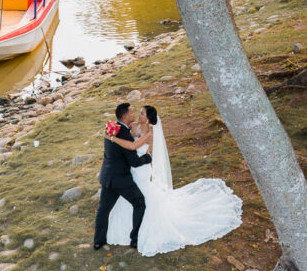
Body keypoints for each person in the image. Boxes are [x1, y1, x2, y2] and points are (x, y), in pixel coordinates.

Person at [105, 105, 242, 256]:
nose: (138, 115)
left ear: (149, 118)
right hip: (132, 168)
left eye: (142, 113)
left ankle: (141, 230)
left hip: (141, 169)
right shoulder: (133, 126)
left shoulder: (147, 134)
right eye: (138, 112)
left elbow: (133, 146)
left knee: (142, 194)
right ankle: (125, 229)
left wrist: (112, 138)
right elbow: (125, 133)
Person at [92, 102, 153, 250]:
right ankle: (134, 239)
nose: (134, 115)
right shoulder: (124, 134)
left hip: (107, 176)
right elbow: (134, 162)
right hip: (121, 180)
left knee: (103, 209)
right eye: (132, 112)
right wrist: (148, 158)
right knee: (139, 203)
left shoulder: (112, 129)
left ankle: (98, 241)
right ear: (125, 115)